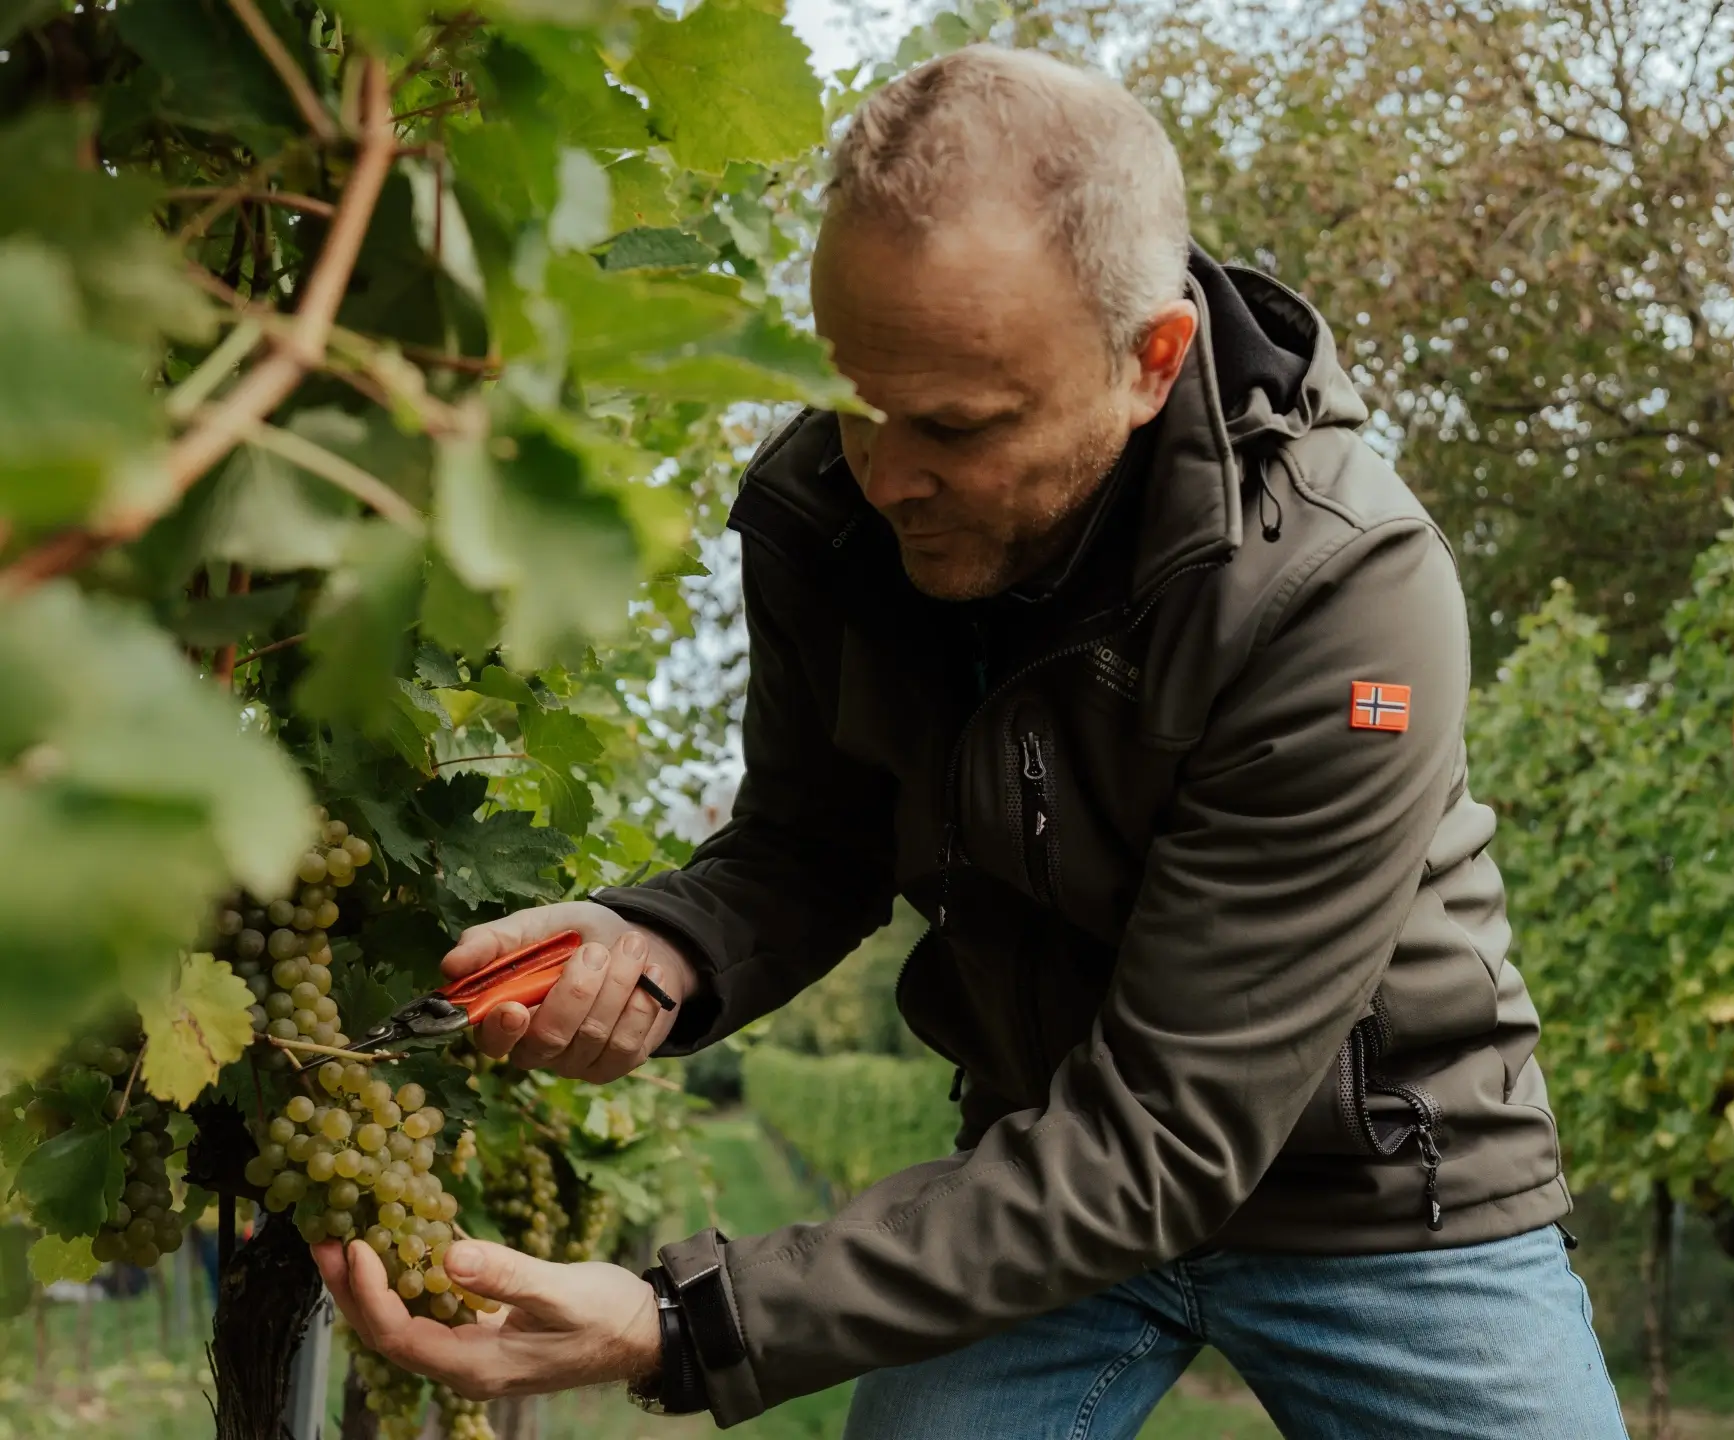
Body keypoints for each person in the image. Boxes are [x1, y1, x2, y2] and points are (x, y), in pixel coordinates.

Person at [316, 45, 1629, 1439]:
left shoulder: (1336, 589)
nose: (886, 476)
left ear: (1151, 360)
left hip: (1373, 1190)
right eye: (852, 400)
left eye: (955, 427)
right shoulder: (826, 512)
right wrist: (663, 944)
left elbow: (1168, 1135)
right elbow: (810, 841)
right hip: (1031, 1177)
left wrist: (684, 1322)